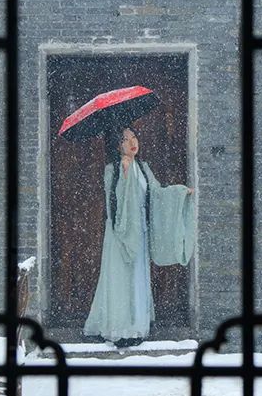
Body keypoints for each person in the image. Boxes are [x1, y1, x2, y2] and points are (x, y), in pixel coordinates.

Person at [83, 126, 195, 348]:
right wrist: (124, 176)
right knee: (119, 278)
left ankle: (136, 327)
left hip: (140, 231)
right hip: (120, 233)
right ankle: (118, 328)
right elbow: (115, 205)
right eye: (125, 139)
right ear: (117, 145)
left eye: (134, 137)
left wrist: (179, 193)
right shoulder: (112, 170)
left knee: (137, 278)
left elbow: (157, 193)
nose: (132, 142)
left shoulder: (144, 168)